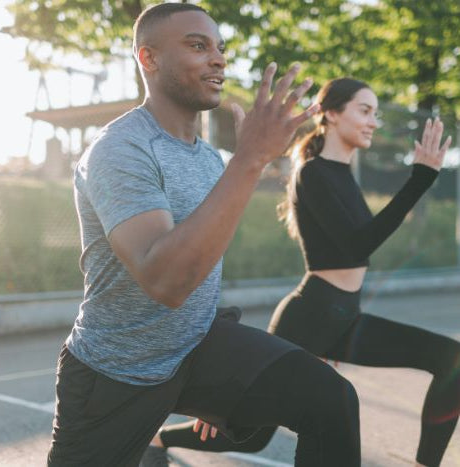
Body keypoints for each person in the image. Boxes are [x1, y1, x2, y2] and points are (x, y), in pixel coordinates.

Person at [46, 4, 364, 467]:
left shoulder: (209, 159)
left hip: (195, 349)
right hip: (116, 372)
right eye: (198, 46)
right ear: (148, 59)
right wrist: (250, 158)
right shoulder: (120, 150)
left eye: (220, 48)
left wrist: (229, 382)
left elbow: (203, 261)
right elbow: (167, 281)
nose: (218, 59)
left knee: (330, 398)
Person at [150, 78, 460, 467]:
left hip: (346, 317)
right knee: (251, 435)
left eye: (376, 113)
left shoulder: (343, 174)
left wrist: (421, 179)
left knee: (451, 358)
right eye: (364, 111)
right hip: (310, 316)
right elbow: (356, 247)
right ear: (330, 113)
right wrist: (420, 180)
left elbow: (357, 245)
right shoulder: (312, 173)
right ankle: (157, 439)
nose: (373, 122)